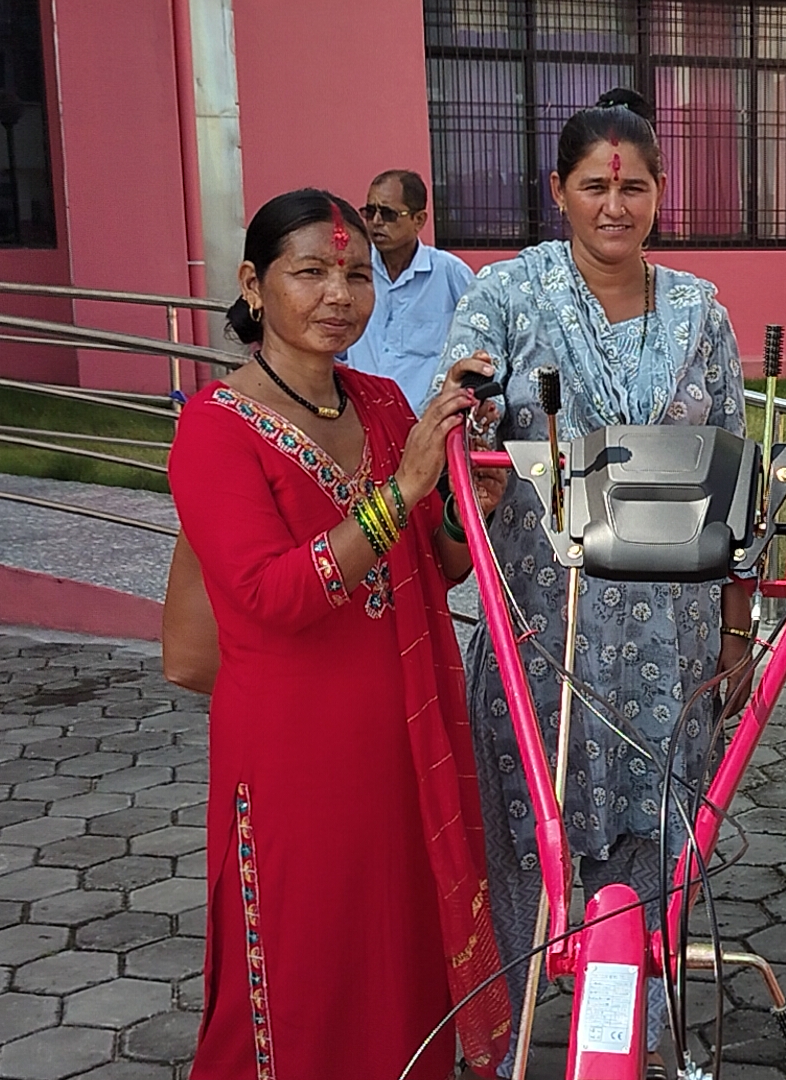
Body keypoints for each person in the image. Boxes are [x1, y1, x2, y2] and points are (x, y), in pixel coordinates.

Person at [441, 87, 753, 1076]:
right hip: (546, 626)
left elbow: (735, 470)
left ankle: (632, 1030)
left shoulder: (700, 311)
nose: (614, 207)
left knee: (657, 834)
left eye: (634, 188)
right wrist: (471, 417)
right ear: (558, 190)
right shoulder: (508, 294)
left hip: (673, 639)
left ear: (659, 192)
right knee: (530, 830)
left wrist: (738, 628)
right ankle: (521, 1023)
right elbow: (462, 398)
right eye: (593, 187)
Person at [167, 188, 511, 1080]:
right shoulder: (214, 429)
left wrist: (464, 503)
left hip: (404, 746)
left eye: (356, 275)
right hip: (294, 759)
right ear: (253, 284)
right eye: (311, 272)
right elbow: (271, 595)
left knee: (399, 961)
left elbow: (437, 566)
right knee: (303, 970)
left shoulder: (384, 401)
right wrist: (405, 490)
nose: (338, 295)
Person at [344, 169, 475, 409]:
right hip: (361, 414)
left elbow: (478, 340)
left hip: (423, 419)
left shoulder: (450, 274)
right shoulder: (354, 271)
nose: (376, 222)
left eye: (388, 214)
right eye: (370, 212)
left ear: (419, 220)